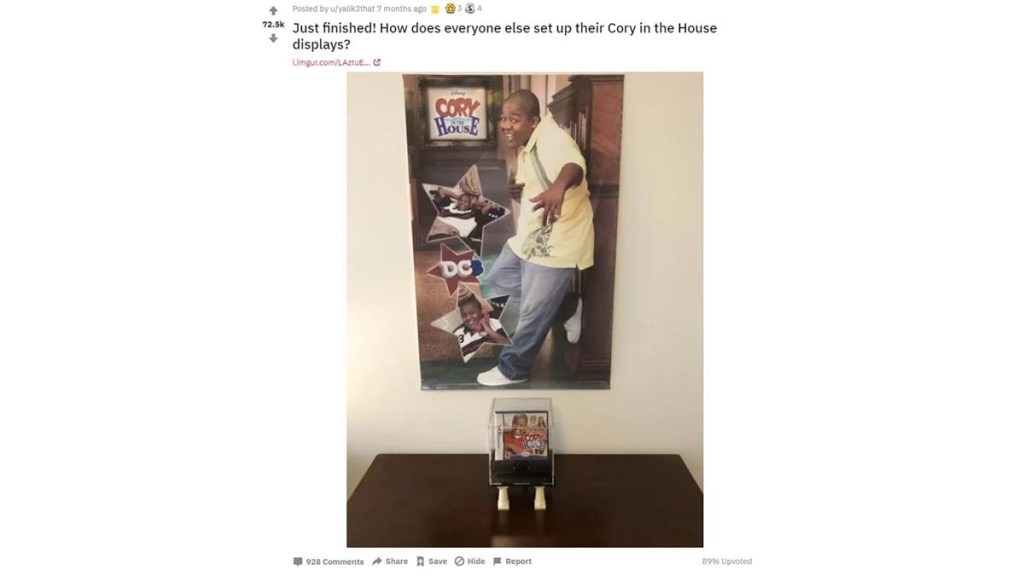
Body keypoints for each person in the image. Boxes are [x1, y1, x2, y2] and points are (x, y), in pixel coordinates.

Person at [477, 89, 594, 386]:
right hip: (532, 235)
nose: (506, 125)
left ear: (533, 121)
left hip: (558, 239)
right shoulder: (529, 144)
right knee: (499, 281)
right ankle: (567, 306)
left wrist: (559, 187)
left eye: (514, 119)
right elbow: (539, 183)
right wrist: (521, 191)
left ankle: (513, 369)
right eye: (503, 118)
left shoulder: (554, 139)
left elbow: (573, 166)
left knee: (532, 309)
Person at [452, 295, 510, 361]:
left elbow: (513, 349)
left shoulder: (498, 323)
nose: (468, 317)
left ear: (482, 311)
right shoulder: (457, 334)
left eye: (472, 313)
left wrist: (489, 330)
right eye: (464, 315)